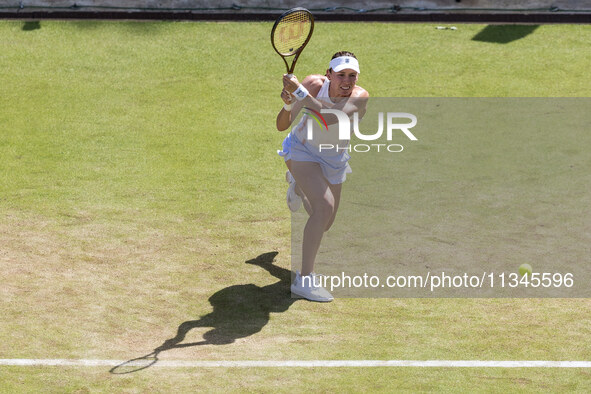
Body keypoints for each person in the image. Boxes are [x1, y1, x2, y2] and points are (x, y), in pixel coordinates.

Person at [276, 51, 369, 302]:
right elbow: (282, 124)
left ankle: (297, 187)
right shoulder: (313, 84)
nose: (347, 81)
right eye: (340, 75)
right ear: (328, 74)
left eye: (352, 76)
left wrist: (299, 95)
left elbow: (330, 118)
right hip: (302, 149)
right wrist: (289, 103)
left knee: (325, 222)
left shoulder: (360, 96)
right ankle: (305, 279)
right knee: (324, 207)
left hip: (334, 159)